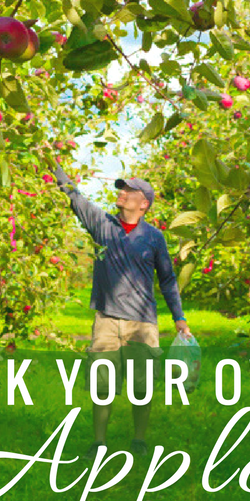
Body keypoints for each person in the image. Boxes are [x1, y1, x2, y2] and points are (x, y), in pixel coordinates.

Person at [54, 161, 192, 459]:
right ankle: (99, 443)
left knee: (141, 388)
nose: (122, 193)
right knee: (102, 386)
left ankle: (139, 439)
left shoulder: (154, 237)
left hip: (142, 323)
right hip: (106, 319)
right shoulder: (102, 224)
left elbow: (167, 279)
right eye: (122, 189)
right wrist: (51, 162)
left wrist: (179, 317)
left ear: (143, 203)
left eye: (129, 190)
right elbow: (74, 197)